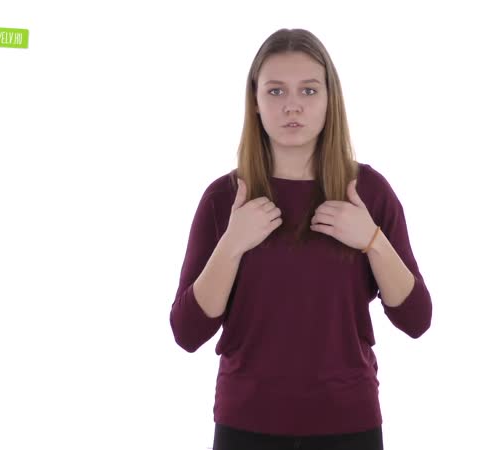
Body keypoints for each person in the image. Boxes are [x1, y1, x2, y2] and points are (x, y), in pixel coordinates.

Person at [169, 28, 432, 450]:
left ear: (330, 99)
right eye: (276, 91)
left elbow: (416, 319)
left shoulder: (368, 192)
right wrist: (232, 244)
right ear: (255, 101)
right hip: (246, 423)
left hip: (349, 422)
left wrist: (372, 240)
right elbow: (187, 332)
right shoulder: (223, 199)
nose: (292, 105)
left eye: (308, 90)